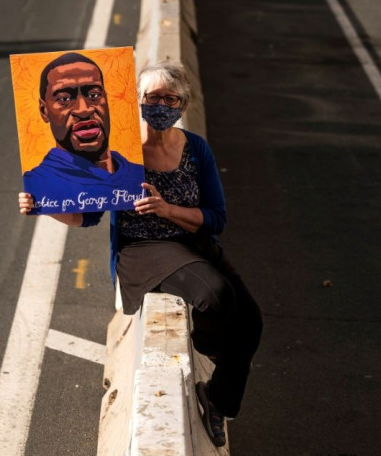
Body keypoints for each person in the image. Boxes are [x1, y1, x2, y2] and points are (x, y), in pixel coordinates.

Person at [18, 62, 262, 447]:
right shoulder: (119, 152)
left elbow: (216, 218)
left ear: (182, 105)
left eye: (171, 98)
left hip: (192, 242)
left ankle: (217, 399)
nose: (161, 105)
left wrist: (168, 210)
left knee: (251, 322)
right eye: (152, 97)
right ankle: (209, 347)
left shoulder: (195, 149)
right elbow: (88, 214)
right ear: (136, 100)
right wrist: (42, 204)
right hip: (144, 251)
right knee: (214, 297)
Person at [23, 52, 145, 214]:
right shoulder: (38, 185)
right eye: (64, 99)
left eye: (94, 95)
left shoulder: (139, 176)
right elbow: (83, 219)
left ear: (106, 100)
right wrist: (33, 205)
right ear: (44, 110)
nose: (84, 109)